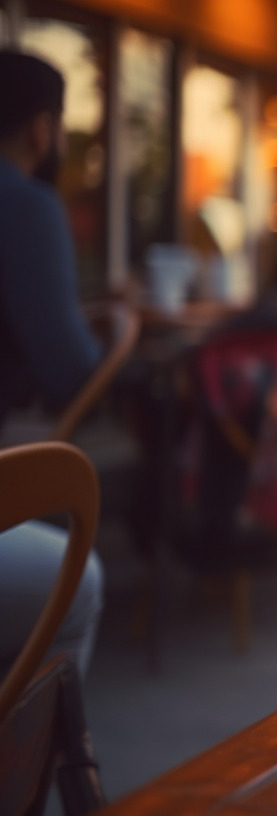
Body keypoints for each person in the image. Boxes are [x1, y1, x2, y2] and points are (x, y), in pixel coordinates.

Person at [0, 51, 104, 677]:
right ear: (42, 128)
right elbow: (71, 370)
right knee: (78, 582)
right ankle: (23, 775)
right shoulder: (26, 203)